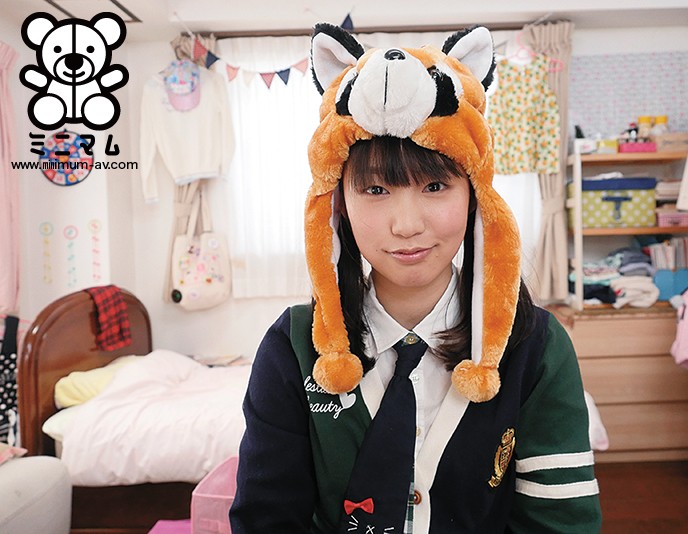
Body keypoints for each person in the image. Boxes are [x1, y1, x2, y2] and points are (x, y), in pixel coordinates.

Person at [230, 23, 601, 534]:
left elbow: (560, 524)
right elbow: (267, 519)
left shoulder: (534, 345)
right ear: (339, 204)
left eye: (434, 186)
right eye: (376, 190)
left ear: (474, 194)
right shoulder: (293, 346)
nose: (406, 225)